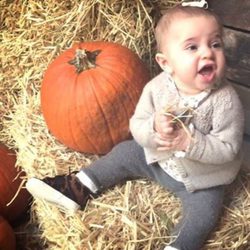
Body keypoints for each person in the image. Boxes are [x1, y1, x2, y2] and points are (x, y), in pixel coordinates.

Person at [26, 2, 245, 250]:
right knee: (125, 152)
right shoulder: (157, 87)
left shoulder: (226, 101)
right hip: (158, 161)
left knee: (205, 214)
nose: (207, 53)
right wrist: (154, 128)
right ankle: (79, 186)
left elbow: (229, 149)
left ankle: (178, 246)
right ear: (166, 63)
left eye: (215, 44)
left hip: (201, 180)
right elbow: (137, 125)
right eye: (192, 47)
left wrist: (191, 143)